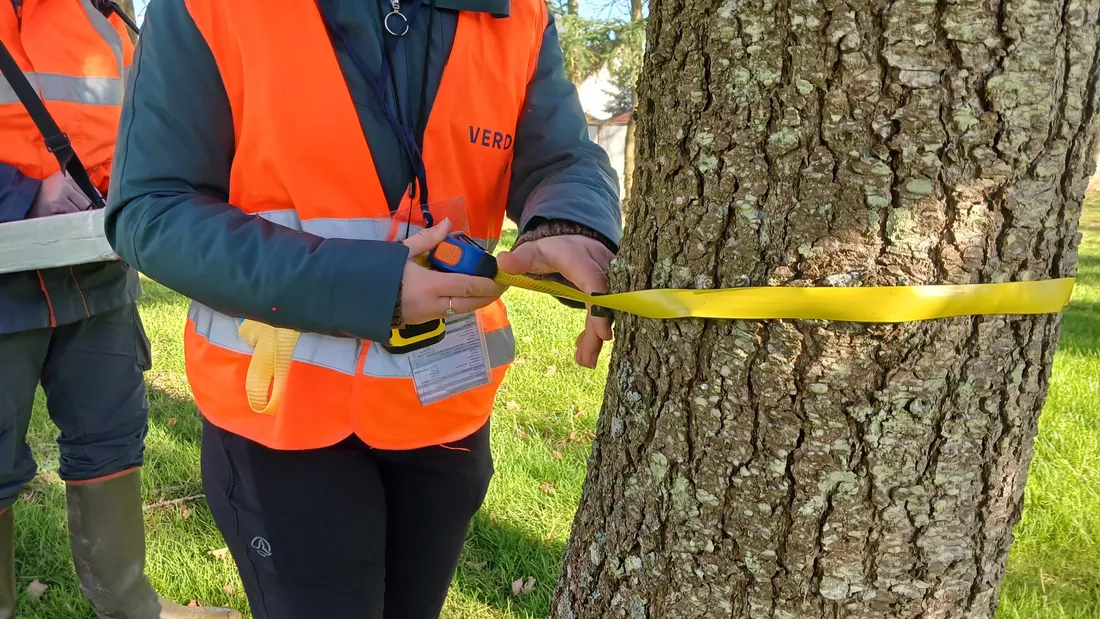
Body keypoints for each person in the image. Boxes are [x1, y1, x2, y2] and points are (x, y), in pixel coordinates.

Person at [105, 0, 622, 616]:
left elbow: (560, 156)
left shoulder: (520, 14)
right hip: (283, 419)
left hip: (443, 410)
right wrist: (370, 288)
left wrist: (569, 221)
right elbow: (151, 211)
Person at [0, 1, 239, 617]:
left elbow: (141, 120)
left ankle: (133, 608)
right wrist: (23, 194)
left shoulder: (105, 9)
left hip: (95, 267)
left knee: (111, 431)